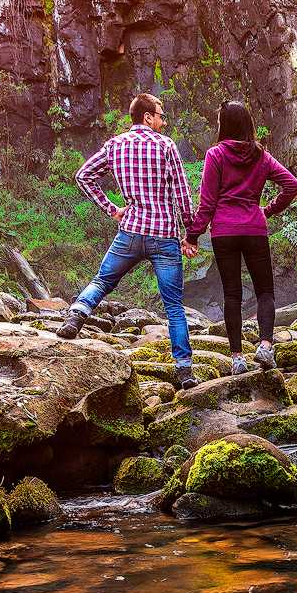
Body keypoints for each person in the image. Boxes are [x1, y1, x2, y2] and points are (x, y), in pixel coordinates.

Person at [57, 92, 199, 385]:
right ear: (147, 116)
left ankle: (76, 315)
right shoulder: (166, 146)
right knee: (173, 306)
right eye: (160, 114)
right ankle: (184, 370)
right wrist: (190, 235)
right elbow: (182, 195)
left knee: (102, 281)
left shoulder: (115, 145)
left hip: (131, 231)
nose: (163, 119)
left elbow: (84, 176)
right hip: (163, 236)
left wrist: (111, 209)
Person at [187, 100, 297, 373]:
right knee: (265, 291)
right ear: (248, 124)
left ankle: (237, 358)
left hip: (224, 232)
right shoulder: (261, 156)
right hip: (254, 229)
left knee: (232, 295)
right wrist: (268, 210)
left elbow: (207, 204)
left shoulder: (215, 155)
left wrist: (192, 235)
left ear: (224, 125)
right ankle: (265, 346)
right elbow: (292, 185)